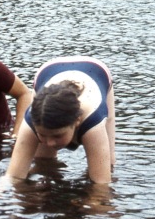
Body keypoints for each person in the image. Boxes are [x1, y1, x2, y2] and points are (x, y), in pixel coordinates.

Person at [7, 56, 116, 184]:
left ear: (77, 121)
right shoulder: (32, 118)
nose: (50, 143)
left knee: (108, 166)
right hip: (47, 70)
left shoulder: (93, 122)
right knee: (43, 161)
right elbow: (13, 176)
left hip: (97, 70)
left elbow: (101, 185)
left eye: (58, 135)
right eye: (42, 135)